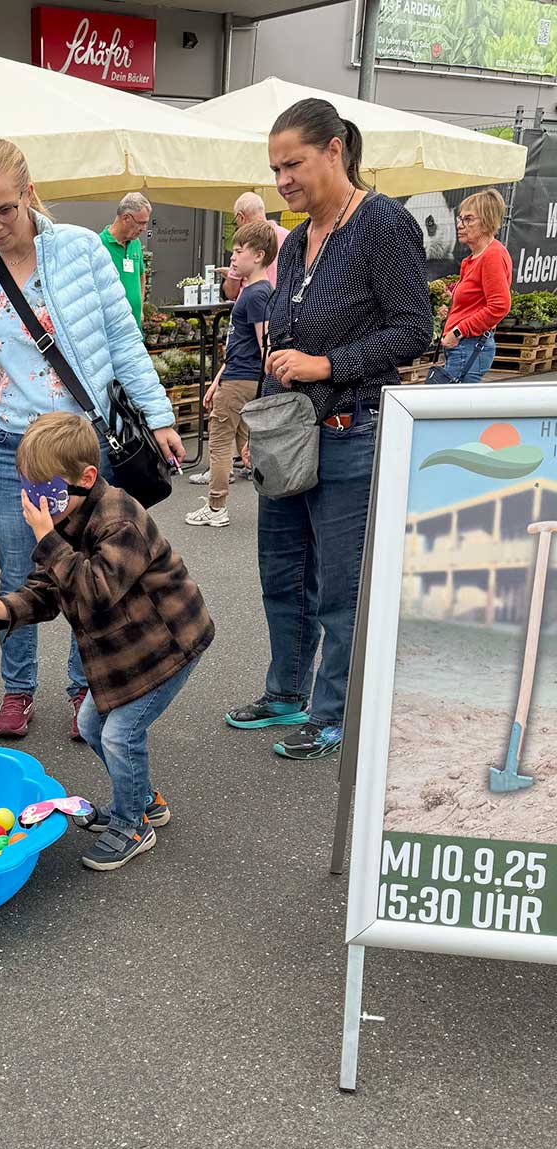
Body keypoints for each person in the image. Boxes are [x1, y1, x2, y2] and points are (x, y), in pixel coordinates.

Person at [0, 137, 183, 742]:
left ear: (30, 195)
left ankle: (84, 683)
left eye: (5, 210)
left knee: (90, 568)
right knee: (20, 570)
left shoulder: (83, 251)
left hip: (84, 445)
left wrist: (160, 415)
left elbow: (122, 338)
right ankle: (17, 689)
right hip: (12, 446)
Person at [226, 99, 431, 761]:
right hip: (290, 433)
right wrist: (264, 404)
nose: (282, 179)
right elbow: (284, 331)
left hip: (351, 430)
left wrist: (328, 363)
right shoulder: (294, 239)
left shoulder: (381, 223)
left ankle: (332, 709)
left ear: (335, 149)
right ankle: (285, 688)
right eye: (274, 167)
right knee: (281, 572)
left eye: (293, 163)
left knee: (338, 587)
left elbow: (412, 328)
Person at [0, 413, 213, 870]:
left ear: (86, 478)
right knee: (95, 727)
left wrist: (45, 537)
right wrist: (1, 608)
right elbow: (48, 589)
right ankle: (145, 800)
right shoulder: (67, 516)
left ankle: (133, 825)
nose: (35, 505)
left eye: (45, 493)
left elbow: (94, 592)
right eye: (28, 490)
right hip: (124, 651)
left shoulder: (120, 519)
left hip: (168, 643)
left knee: (119, 734)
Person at [185, 221, 276, 529]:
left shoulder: (257, 295)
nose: (233, 257)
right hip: (236, 376)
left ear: (259, 255)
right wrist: (216, 382)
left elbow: (266, 344)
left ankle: (215, 506)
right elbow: (241, 344)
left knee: (220, 442)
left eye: (239, 251)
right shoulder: (252, 291)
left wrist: (266, 387)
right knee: (242, 441)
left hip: (242, 380)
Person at [440, 188, 511, 384]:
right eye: (460, 219)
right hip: (463, 346)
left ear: (487, 221)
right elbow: (477, 302)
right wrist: (453, 312)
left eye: (468, 219)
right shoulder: (475, 258)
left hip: (469, 345)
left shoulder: (492, 256)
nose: (460, 225)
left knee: (451, 410)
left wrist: (458, 330)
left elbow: (499, 306)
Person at [220, 193, 288, 301]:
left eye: (236, 222)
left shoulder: (245, 241)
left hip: (250, 304)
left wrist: (230, 274)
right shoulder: (288, 236)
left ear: (241, 217)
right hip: (282, 306)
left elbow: (231, 292)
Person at [100, 193, 150, 328]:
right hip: (113, 328)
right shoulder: (99, 244)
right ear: (126, 218)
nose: (144, 228)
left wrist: (140, 309)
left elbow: (141, 275)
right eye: (141, 223)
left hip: (135, 326)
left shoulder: (135, 243)